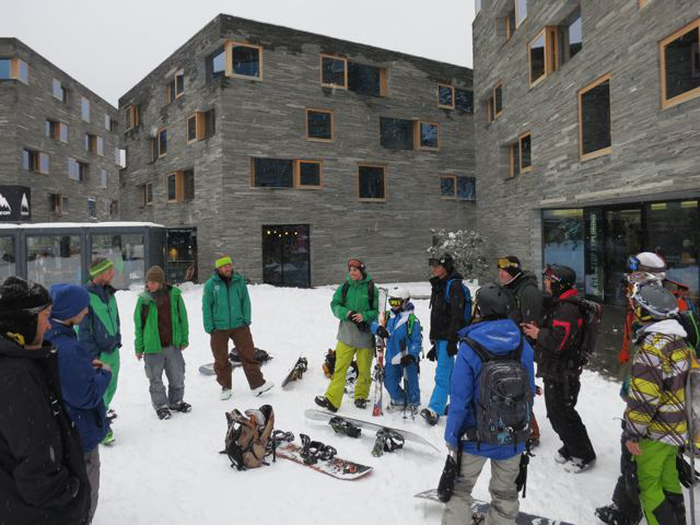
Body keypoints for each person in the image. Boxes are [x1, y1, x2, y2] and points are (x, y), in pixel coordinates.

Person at [0, 277, 91, 525]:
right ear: (25, 320)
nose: (50, 325)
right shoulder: (16, 376)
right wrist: (68, 494)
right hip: (37, 514)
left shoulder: (17, 364)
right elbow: (37, 468)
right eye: (45, 316)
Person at [443, 282, 535, 525]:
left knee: (460, 490)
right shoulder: (522, 344)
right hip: (512, 436)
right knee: (506, 494)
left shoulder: (470, 345)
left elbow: (460, 398)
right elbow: (528, 394)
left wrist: (452, 435)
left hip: (474, 437)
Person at [623, 283, 690, 525]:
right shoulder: (677, 341)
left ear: (647, 312)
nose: (634, 311)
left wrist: (633, 434)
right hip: (675, 428)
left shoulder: (652, 348)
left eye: (637, 307)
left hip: (655, 431)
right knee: (668, 478)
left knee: (647, 483)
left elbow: (644, 399)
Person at [46, 283, 112, 524]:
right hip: (80, 431)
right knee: (86, 487)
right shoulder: (68, 349)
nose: (86, 312)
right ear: (70, 311)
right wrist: (104, 374)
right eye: (83, 308)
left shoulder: (48, 334)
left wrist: (84, 368)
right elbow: (86, 396)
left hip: (62, 429)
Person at [522, 264, 596, 473]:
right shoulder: (560, 304)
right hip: (556, 369)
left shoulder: (567, 309)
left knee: (563, 414)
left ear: (559, 284)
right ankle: (571, 446)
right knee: (557, 413)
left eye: (549, 280)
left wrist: (538, 334)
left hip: (564, 372)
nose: (545, 283)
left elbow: (558, 343)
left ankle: (583, 454)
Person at [202, 255, 274, 400]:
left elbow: (245, 301)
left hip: (239, 325)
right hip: (218, 327)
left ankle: (257, 385)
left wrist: (246, 319)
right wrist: (209, 327)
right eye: (224, 266)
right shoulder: (211, 284)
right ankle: (226, 387)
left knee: (249, 355)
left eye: (229, 265)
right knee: (221, 359)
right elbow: (206, 306)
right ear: (219, 269)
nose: (228, 268)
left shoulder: (238, 281)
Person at [316, 258, 379, 412]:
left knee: (364, 370)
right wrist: (346, 313)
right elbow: (335, 305)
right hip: (346, 336)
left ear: (362, 271)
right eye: (350, 270)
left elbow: (379, 311)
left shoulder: (372, 289)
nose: (352, 273)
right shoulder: (344, 287)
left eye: (355, 270)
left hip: (365, 337)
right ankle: (332, 400)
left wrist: (365, 316)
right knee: (339, 369)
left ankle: (361, 397)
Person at [497, 255, 543, 447]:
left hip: (521, 347)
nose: (500, 274)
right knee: (513, 386)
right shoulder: (512, 288)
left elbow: (530, 324)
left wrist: (522, 345)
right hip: (511, 344)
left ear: (514, 272)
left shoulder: (528, 291)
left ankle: (532, 431)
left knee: (522, 386)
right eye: (499, 270)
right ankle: (515, 421)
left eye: (504, 271)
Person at [134, 265, 191, 419]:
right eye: (148, 282)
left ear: (161, 282)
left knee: (177, 376)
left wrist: (184, 339)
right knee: (155, 379)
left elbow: (183, 318)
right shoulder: (144, 301)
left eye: (153, 282)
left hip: (172, 345)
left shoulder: (175, 296)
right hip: (153, 348)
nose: (149, 285)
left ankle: (176, 401)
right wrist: (139, 348)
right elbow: (139, 326)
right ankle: (160, 405)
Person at [422, 253, 470, 426]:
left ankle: (435, 409)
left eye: (437, 265)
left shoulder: (454, 286)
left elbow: (456, 316)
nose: (434, 269)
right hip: (441, 338)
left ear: (446, 267)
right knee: (448, 374)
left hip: (449, 338)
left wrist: (451, 341)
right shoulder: (439, 285)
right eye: (433, 265)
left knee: (442, 374)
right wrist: (434, 341)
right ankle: (459, 404)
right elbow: (438, 315)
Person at [78, 257, 122, 445]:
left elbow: (116, 318)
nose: (113, 273)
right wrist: (92, 355)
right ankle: (100, 427)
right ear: (99, 274)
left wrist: (117, 338)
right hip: (98, 354)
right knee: (99, 391)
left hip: (113, 349)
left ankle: (101, 415)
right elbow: (83, 329)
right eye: (109, 270)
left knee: (111, 388)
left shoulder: (109, 293)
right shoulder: (86, 297)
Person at [372, 287, 422, 414]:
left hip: (407, 357)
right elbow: (373, 323)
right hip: (392, 356)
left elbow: (416, 340)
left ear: (404, 302)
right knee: (389, 381)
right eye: (391, 302)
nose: (393, 306)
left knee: (412, 382)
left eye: (396, 303)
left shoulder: (412, 320)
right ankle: (399, 399)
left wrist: (412, 355)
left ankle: (413, 402)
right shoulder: (388, 316)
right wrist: (378, 329)